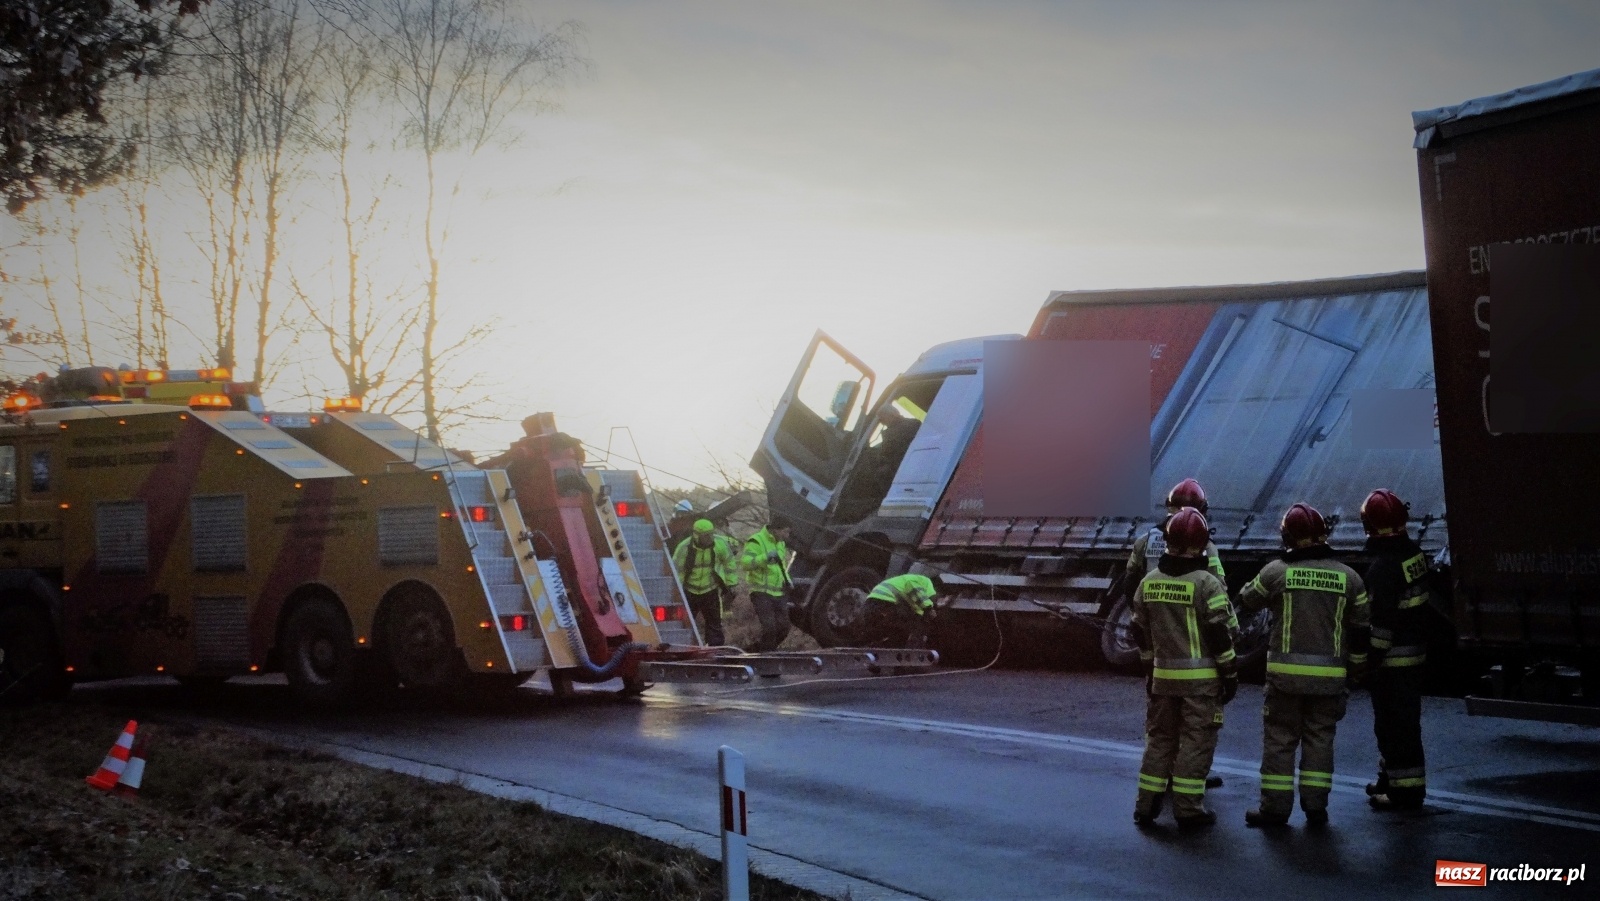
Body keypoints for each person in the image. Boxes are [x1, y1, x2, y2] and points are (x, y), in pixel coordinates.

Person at [1236, 502, 1371, 828]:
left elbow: (1245, 600)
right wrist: (1355, 670)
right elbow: (1362, 631)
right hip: (1330, 681)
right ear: (1324, 536)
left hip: (1285, 681)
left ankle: (1275, 811)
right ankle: (1316, 808)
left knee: (1280, 741)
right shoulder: (1350, 578)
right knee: (1320, 740)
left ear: (1287, 536)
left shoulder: (1276, 572)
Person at [1130, 507, 1238, 831]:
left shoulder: (1149, 582)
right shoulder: (1207, 583)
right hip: (1201, 684)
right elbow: (1221, 632)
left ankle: (1145, 807)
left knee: (1160, 739)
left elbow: (1138, 628)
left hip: (1163, 679)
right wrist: (1230, 673)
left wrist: (1150, 666)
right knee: (1196, 741)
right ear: (1202, 543)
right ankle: (1188, 809)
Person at [1358, 489, 1433, 811]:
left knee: (1395, 727)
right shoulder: (1413, 554)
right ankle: (1389, 778)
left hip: (1393, 662)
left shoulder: (1383, 568)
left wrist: (1366, 663)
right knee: (1397, 724)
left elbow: (1381, 628)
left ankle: (1406, 793)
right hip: (1414, 654)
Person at [1127, 478, 1226, 584]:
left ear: (1169, 506)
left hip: (1151, 598)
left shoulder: (1144, 541)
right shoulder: (1205, 546)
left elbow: (1130, 579)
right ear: (1201, 511)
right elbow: (1218, 584)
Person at [673, 518, 737, 647]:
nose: (710, 538)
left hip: (710, 590)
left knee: (714, 624)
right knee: (683, 623)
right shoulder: (684, 548)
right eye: (706, 535)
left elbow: (729, 563)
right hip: (689, 592)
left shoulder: (720, 544)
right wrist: (677, 592)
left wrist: (731, 584)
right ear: (696, 535)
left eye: (711, 534)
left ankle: (715, 651)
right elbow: (676, 570)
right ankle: (682, 648)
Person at [740, 515, 794, 652]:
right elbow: (745, 563)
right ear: (776, 530)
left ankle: (757, 652)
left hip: (778, 592)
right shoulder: (756, 541)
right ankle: (767, 659)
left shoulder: (780, 543)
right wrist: (765, 557)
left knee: (784, 627)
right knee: (770, 628)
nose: (787, 535)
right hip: (761, 593)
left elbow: (779, 566)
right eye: (786, 532)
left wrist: (787, 580)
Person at [864, 572, 939, 650]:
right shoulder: (925, 582)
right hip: (885, 601)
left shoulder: (914, 598)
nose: (937, 601)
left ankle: (870, 647)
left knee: (885, 631)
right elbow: (912, 587)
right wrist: (928, 608)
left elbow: (917, 613)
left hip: (875, 602)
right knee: (900, 631)